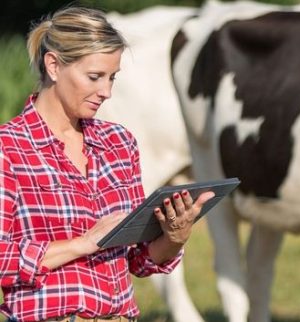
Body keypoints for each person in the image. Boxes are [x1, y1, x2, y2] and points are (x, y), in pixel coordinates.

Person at [0, 5, 214, 322]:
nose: (107, 92)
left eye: (112, 78)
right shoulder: (9, 148)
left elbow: (138, 261)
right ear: (54, 66)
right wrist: (83, 244)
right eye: (95, 77)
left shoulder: (119, 143)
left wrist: (173, 237)